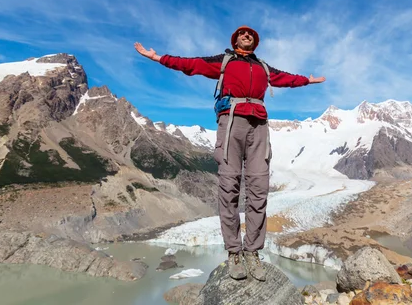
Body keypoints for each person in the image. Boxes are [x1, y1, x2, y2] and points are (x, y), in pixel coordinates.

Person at [134, 26, 325, 281]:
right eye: (242, 34)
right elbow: (191, 64)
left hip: (259, 126)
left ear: (255, 43)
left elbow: (285, 78)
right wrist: (158, 58)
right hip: (231, 123)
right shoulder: (223, 62)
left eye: (251, 35)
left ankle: (253, 252)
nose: (246, 36)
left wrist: (307, 80)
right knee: (229, 187)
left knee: (259, 190)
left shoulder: (263, 68)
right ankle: (234, 252)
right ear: (235, 39)